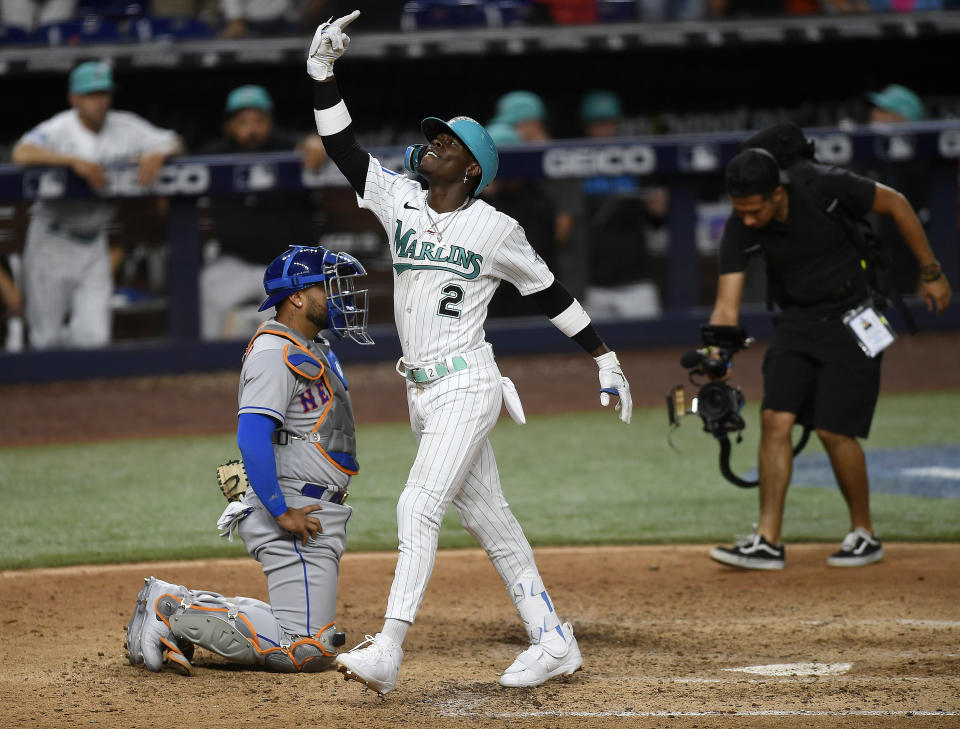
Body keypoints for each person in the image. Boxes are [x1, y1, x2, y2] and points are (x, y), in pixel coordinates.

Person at [304, 11, 632, 696]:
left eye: (446, 142)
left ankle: (390, 646)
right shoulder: (399, 200)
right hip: (422, 393)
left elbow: (550, 292)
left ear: (472, 166)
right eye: (432, 138)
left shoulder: (495, 227)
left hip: (469, 384)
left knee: (417, 505)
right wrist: (321, 74)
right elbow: (343, 148)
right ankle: (551, 636)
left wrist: (604, 356)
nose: (431, 146)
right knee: (490, 519)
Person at [707, 123, 952, 571]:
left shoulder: (823, 185)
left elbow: (896, 203)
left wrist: (931, 272)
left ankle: (864, 533)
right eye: (739, 210)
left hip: (853, 318)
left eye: (754, 210)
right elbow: (727, 305)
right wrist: (716, 355)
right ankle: (767, 540)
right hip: (796, 324)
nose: (746, 220)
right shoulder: (743, 225)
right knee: (774, 419)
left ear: (778, 193)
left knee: (835, 430)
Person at [125, 244, 373, 675]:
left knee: (306, 635)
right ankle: (168, 609)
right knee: (306, 648)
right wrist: (281, 511)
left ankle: (181, 610)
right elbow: (252, 438)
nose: (337, 297)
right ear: (296, 296)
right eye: (327, 288)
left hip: (311, 504)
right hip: (293, 505)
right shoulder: (273, 353)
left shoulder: (309, 345)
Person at [11, 62, 182, 350]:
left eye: (103, 93)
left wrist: (158, 153)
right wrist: (73, 162)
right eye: (91, 94)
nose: (99, 101)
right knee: (46, 340)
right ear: (74, 99)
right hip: (51, 239)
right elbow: (21, 152)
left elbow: (173, 141)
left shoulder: (125, 126)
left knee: (95, 340)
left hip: (94, 243)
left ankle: (85, 394)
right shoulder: (59, 128)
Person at [199, 84, 327, 340]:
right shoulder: (215, 155)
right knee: (208, 287)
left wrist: (316, 142)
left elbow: (312, 145)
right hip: (237, 264)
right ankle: (206, 369)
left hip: (290, 265)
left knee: (316, 323)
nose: (252, 129)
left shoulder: (289, 149)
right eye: (243, 121)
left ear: (270, 123)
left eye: (259, 120)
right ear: (229, 126)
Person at [491, 89, 590, 300]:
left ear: (532, 123)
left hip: (563, 277)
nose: (510, 133)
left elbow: (562, 231)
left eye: (513, 126)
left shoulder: (559, 163)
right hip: (531, 279)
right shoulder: (521, 172)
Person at [578, 89, 662, 319]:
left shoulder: (637, 160)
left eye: (607, 123)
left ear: (616, 124)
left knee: (651, 348)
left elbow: (657, 220)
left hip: (637, 280)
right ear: (587, 126)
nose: (602, 130)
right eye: (596, 124)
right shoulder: (575, 163)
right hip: (594, 283)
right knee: (596, 353)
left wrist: (658, 209)